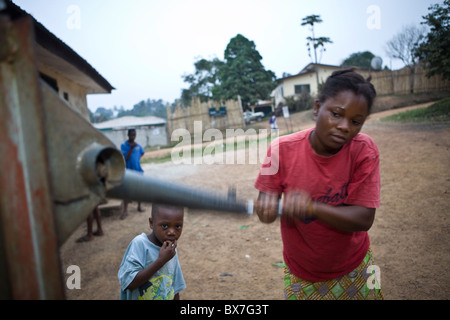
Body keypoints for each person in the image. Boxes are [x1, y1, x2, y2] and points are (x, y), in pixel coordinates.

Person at [254, 68, 384, 300]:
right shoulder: (280, 150)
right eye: (336, 114)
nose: (345, 126)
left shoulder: (364, 150)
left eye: (356, 121)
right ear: (316, 108)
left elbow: (364, 219)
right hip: (302, 273)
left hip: (356, 266)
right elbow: (266, 212)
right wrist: (265, 207)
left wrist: (313, 207)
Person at [118, 204, 186, 300]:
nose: (172, 232)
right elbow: (128, 283)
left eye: (178, 226)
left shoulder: (170, 249)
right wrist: (160, 261)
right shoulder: (140, 244)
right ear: (151, 223)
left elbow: (174, 286)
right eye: (165, 226)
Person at [120, 128, 145, 219]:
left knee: (139, 190)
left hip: (138, 170)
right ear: (128, 135)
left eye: (134, 135)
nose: (133, 137)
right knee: (126, 191)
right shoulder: (124, 145)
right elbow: (126, 158)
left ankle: (139, 206)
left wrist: (137, 160)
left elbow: (142, 153)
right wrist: (131, 148)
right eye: (131, 135)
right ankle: (125, 211)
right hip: (129, 172)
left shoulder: (138, 146)